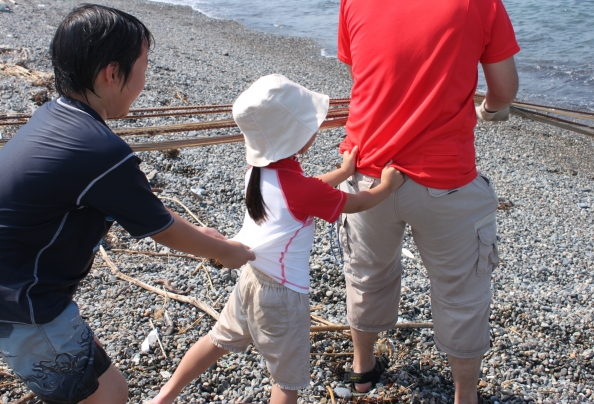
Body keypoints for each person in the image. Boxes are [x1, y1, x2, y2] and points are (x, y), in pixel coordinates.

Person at [0, 4, 254, 404]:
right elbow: (162, 230)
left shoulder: (57, 119)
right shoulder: (98, 150)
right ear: (112, 73)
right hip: (19, 299)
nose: (145, 79)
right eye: (143, 66)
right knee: (107, 397)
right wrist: (224, 251)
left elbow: (143, 206)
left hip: (1, 281)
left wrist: (204, 234)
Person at [149, 74, 404, 404]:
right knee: (286, 381)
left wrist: (342, 173)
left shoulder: (258, 172)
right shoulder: (302, 189)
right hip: (282, 296)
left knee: (218, 339)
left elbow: (306, 192)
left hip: (251, 280)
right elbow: (356, 203)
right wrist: (387, 187)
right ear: (295, 136)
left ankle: (163, 397)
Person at [336, 0, 520, 402]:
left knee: (366, 276)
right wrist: (491, 110)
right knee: (460, 293)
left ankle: (362, 372)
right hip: (445, 181)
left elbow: (361, 72)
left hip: (368, 171)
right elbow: (504, 89)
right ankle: (464, 395)